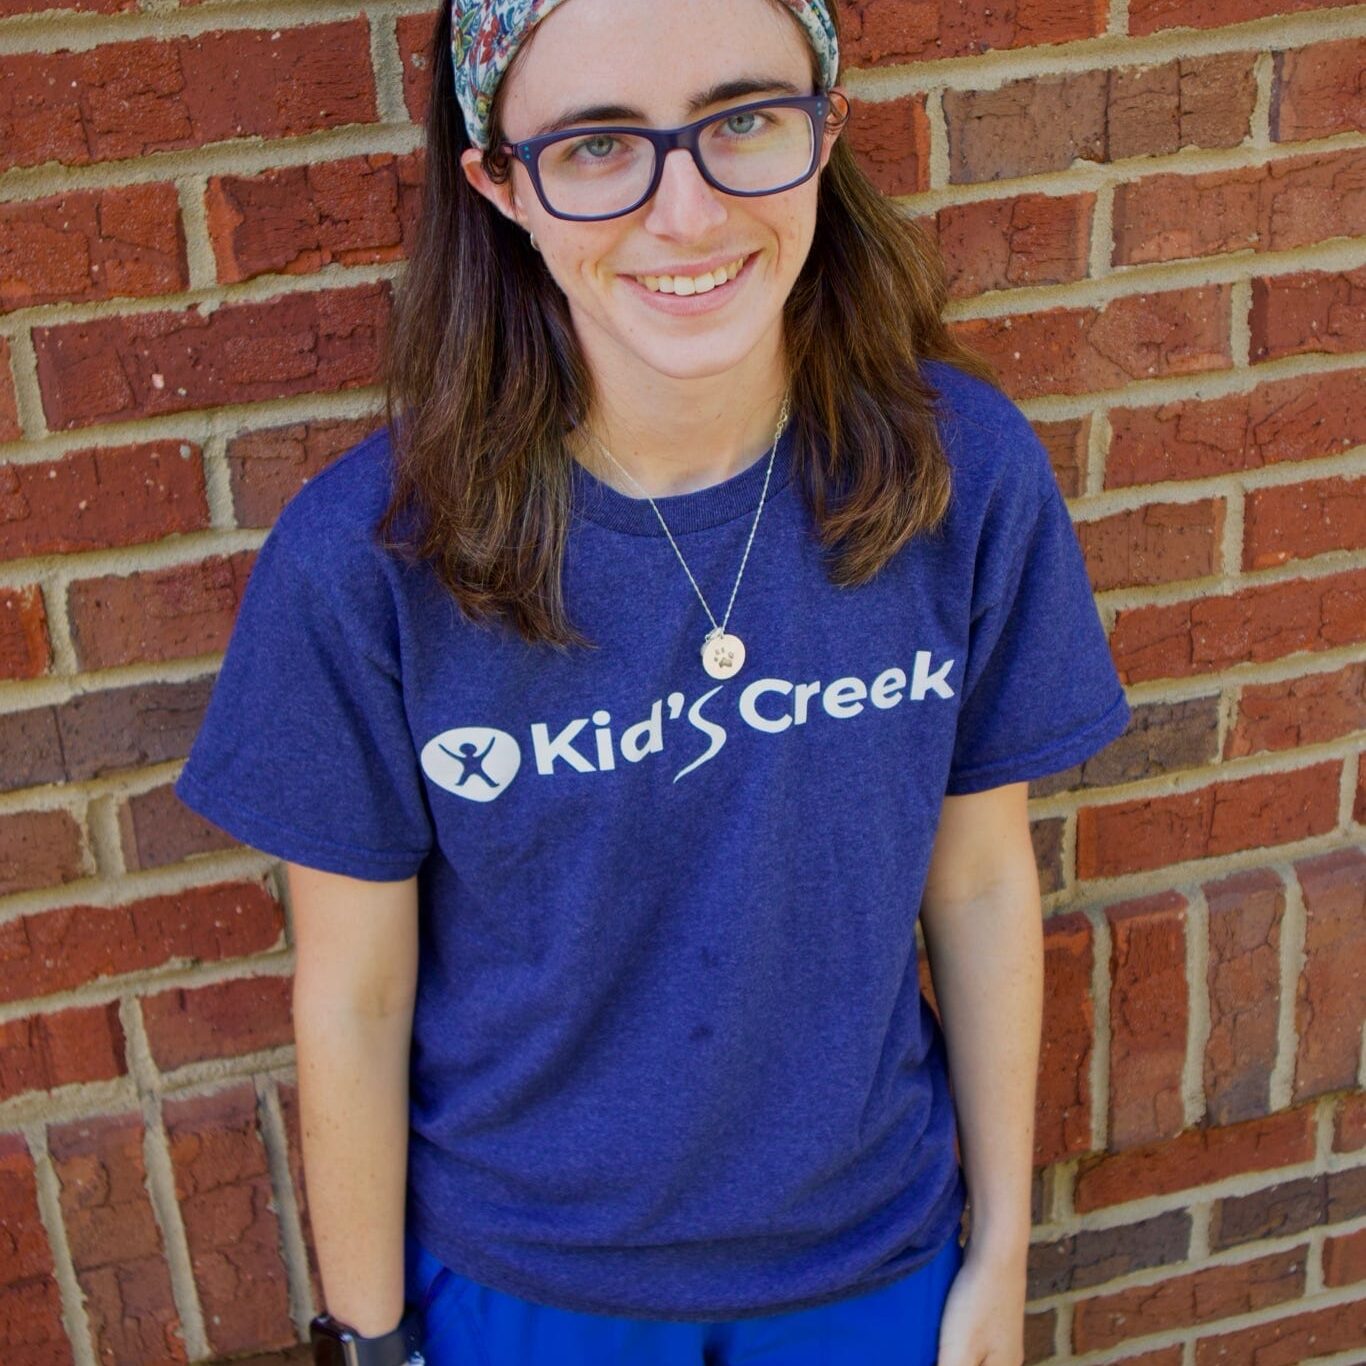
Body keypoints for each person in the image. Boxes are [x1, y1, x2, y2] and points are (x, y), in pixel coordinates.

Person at [172, 0, 1133, 1362]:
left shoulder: (958, 478)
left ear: (826, 128)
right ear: (498, 183)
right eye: (594, 146)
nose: (684, 215)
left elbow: (976, 878)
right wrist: (373, 1341)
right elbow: (354, 992)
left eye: (743, 119)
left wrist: (998, 1254)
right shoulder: (369, 562)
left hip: (867, 1265)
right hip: (526, 1292)